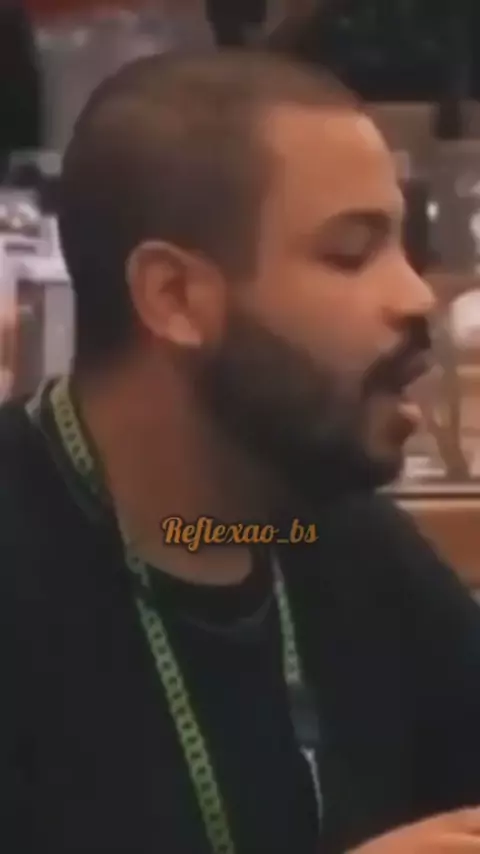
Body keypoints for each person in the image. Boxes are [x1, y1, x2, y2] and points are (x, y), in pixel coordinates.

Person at [2, 51, 480, 854]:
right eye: (350, 253)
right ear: (175, 297)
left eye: (406, 246)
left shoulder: (339, 542)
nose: (417, 295)